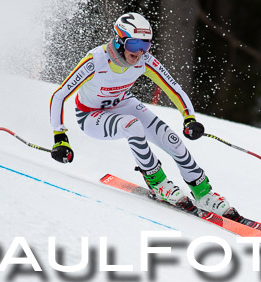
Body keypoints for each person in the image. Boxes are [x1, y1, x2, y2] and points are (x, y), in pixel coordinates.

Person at [49, 12, 238, 219]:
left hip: (123, 104)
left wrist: (189, 118)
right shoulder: (96, 60)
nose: (139, 52)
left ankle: (204, 193)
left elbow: (173, 89)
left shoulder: (144, 61)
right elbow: (59, 96)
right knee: (132, 125)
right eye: (134, 45)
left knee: (171, 139)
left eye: (145, 45)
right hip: (91, 116)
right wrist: (60, 138)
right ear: (119, 41)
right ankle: (157, 182)